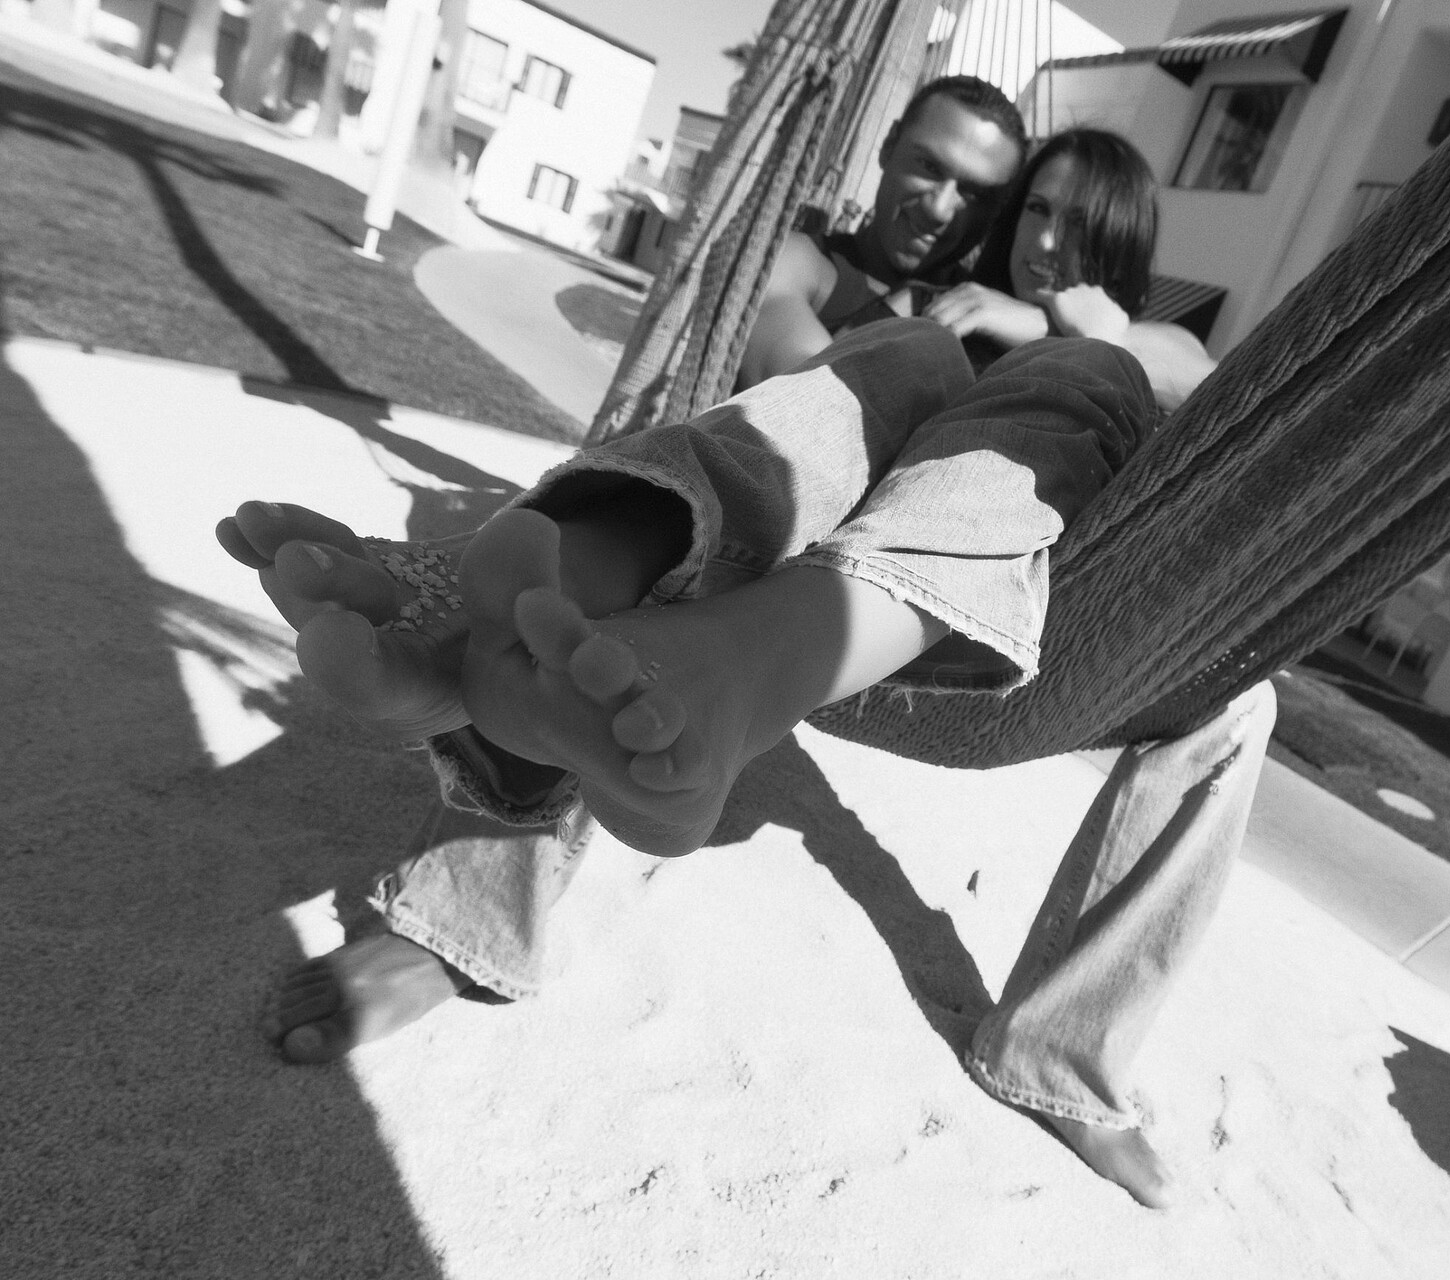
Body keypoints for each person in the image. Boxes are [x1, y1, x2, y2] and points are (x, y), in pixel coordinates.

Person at [232, 116, 1265, 1209]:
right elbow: (784, 344)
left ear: (1123, 245)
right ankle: (557, 611)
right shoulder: (912, 306)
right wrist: (915, 342)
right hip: (796, 588)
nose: (1041, 238)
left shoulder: (1112, 341)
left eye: (1073, 222)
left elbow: (1216, 387)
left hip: (1036, 638)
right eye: (1035, 209)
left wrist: (1078, 326)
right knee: (899, 361)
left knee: (1233, 675)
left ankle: (1060, 1048)